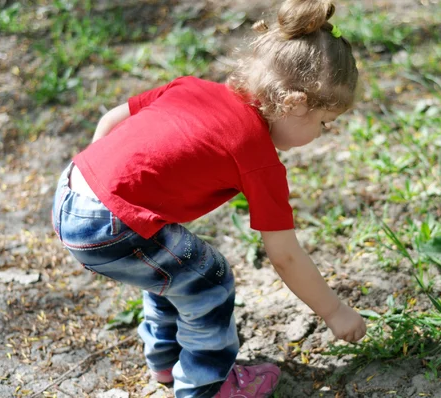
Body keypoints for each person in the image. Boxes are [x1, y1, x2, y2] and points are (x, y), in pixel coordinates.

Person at [51, 0, 366, 396]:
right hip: (107, 221)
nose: (322, 134)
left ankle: (167, 362)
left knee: (172, 267)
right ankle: (208, 386)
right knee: (208, 278)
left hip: (72, 188)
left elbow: (112, 119)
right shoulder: (258, 158)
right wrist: (334, 311)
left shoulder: (191, 87)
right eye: (323, 124)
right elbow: (285, 254)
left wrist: (100, 188)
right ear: (294, 104)